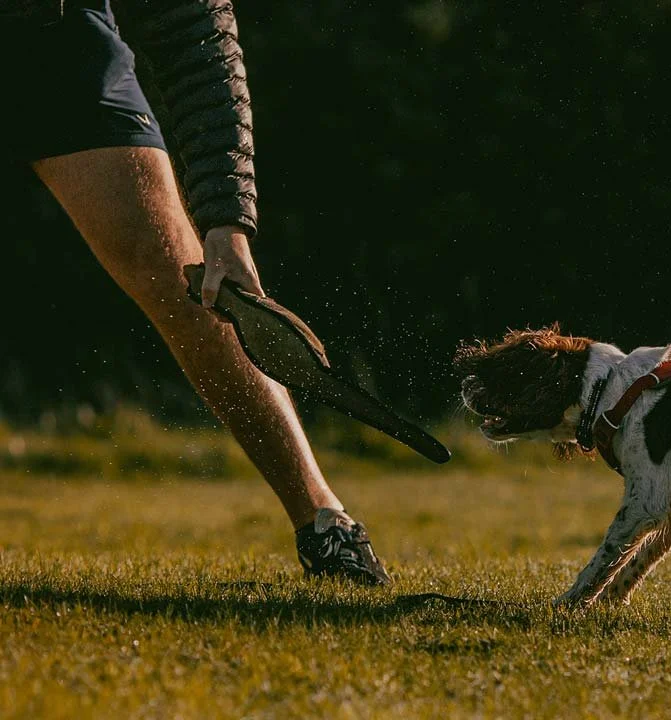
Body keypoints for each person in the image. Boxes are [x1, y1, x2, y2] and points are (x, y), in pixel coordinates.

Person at [0, 0, 390, 584]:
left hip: (57, 47)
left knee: (194, 289)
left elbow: (194, 36)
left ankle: (325, 524)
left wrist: (226, 221)